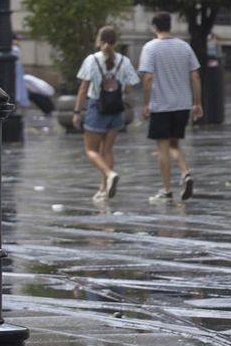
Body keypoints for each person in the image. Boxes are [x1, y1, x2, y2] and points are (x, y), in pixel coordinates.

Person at [138, 12, 203, 203]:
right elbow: (196, 76)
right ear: (170, 26)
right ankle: (185, 173)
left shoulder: (150, 48)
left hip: (160, 106)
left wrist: (146, 103)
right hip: (182, 105)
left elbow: (148, 78)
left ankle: (166, 190)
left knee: (163, 148)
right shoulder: (184, 47)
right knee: (175, 144)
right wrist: (197, 103)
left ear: (154, 27)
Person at [72, 26, 140, 202]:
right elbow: (131, 87)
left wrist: (77, 111)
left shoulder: (92, 60)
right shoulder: (124, 61)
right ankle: (103, 188)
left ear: (99, 40)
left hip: (97, 107)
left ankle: (109, 175)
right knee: (107, 150)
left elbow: (83, 88)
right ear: (115, 41)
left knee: (91, 150)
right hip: (117, 109)